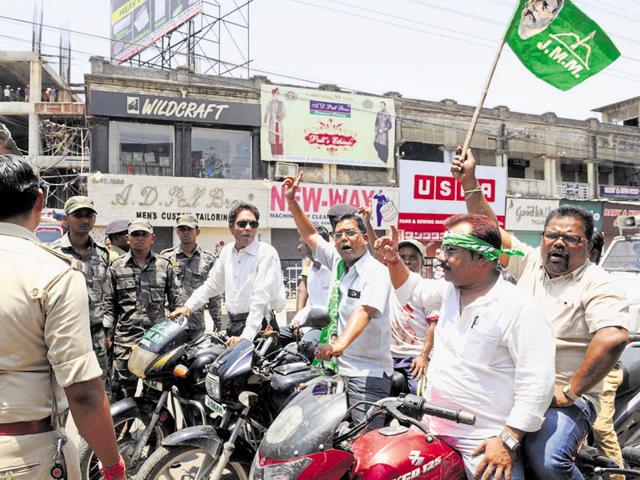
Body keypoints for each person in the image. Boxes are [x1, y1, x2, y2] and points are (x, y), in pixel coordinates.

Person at [452, 147, 630, 480]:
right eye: (552, 236)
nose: (558, 243)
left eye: (570, 238)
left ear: (588, 244)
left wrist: (570, 391)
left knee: (548, 460)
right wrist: (470, 181)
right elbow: (489, 228)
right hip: (515, 387)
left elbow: (613, 336)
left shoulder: (597, 282)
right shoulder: (530, 262)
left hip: (562, 397)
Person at [376, 214, 556, 480]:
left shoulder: (518, 306)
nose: (439, 257)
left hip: (484, 441)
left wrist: (508, 439)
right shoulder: (449, 291)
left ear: (481, 258)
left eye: (451, 250)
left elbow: (538, 383)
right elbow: (413, 290)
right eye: (442, 248)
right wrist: (393, 261)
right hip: (433, 428)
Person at [0, 155, 125, 480]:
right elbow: (83, 394)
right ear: (41, 200)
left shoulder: (102, 258)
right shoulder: (54, 270)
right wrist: (113, 466)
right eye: (78, 215)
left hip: (95, 341)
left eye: (89, 215)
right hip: (24, 454)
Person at [285, 172, 393, 425]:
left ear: (365, 238)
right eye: (339, 234)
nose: (344, 238)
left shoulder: (375, 272)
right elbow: (310, 236)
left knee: (363, 444)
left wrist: (338, 346)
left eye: (351, 233)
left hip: (367, 374)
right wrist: (292, 201)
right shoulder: (337, 260)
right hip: (336, 368)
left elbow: (364, 312)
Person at [170, 203, 286, 347]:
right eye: (242, 224)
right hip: (234, 325)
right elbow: (212, 285)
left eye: (253, 224)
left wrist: (247, 336)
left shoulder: (266, 253)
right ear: (231, 227)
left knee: (256, 369)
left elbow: (261, 299)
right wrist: (188, 307)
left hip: (260, 327)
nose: (248, 228)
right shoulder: (227, 252)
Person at [104, 219, 184, 400]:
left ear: (152, 238)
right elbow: (109, 306)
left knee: (155, 398)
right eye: (135, 234)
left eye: (144, 234)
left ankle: (155, 429)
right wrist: (107, 336)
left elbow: (176, 305)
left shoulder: (165, 266)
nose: (139, 238)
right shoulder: (116, 267)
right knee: (123, 395)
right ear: (127, 238)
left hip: (157, 344)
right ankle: (122, 429)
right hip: (126, 344)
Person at [51, 196, 111, 396]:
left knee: (100, 393)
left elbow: (109, 295)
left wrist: (108, 330)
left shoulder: (103, 254)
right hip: (65, 334)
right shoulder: (53, 253)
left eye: (89, 215)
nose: (85, 220)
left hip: (96, 335)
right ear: (66, 218)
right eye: (78, 215)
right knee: (62, 394)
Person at [589, 229, 625, 479]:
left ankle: (618, 476)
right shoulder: (552, 279)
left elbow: (612, 338)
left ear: (592, 252)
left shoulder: (604, 285)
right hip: (562, 369)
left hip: (602, 369)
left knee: (601, 427)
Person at [161, 214, 223, 339]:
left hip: (196, 324)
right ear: (177, 231)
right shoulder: (166, 257)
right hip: (171, 323)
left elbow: (214, 294)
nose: (186, 232)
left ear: (198, 231)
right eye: (182, 229)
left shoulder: (208, 259)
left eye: (189, 229)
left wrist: (218, 321)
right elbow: (160, 290)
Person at [292, 225, 332, 328]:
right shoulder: (310, 268)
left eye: (301, 243)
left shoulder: (334, 269)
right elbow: (307, 297)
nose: (298, 248)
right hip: (309, 323)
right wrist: (297, 320)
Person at [263, 87, 286, 156]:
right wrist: (265, 121)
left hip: (278, 125)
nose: (276, 96)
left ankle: (281, 155)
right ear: (272, 95)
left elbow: (284, 114)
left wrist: (278, 119)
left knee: (279, 141)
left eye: (277, 95)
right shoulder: (269, 103)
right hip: (272, 125)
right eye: (275, 94)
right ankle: (273, 155)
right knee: (272, 141)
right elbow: (266, 113)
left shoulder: (281, 103)